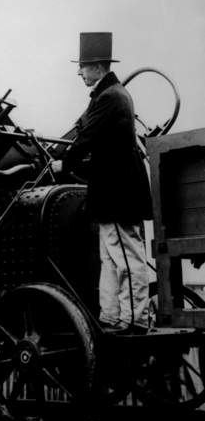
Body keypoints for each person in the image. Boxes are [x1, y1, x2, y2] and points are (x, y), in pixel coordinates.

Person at [53, 32, 153, 334]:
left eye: (83, 66)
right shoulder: (111, 95)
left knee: (124, 256)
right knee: (111, 257)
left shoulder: (109, 98)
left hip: (117, 194)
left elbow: (86, 138)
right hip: (114, 193)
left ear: (97, 66)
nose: (79, 72)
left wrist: (63, 163)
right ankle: (112, 317)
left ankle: (134, 319)